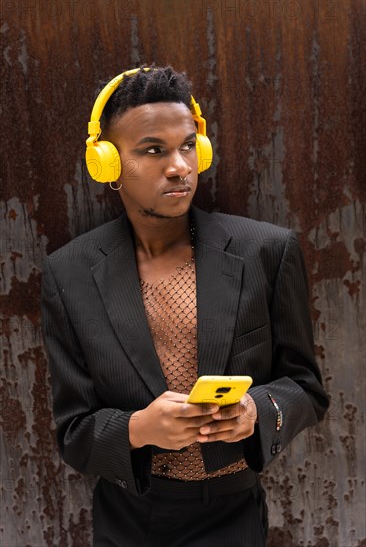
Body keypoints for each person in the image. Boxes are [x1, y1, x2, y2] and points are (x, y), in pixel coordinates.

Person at [41, 66, 329, 546]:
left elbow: (306, 389)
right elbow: (73, 432)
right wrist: (137, 428)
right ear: (107, 164)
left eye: (188, 146)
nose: (179, 166)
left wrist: (256, 411)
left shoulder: (267, 252)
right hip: (126, 520)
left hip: (232, 515)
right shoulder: (68, 272)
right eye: (153, 150)